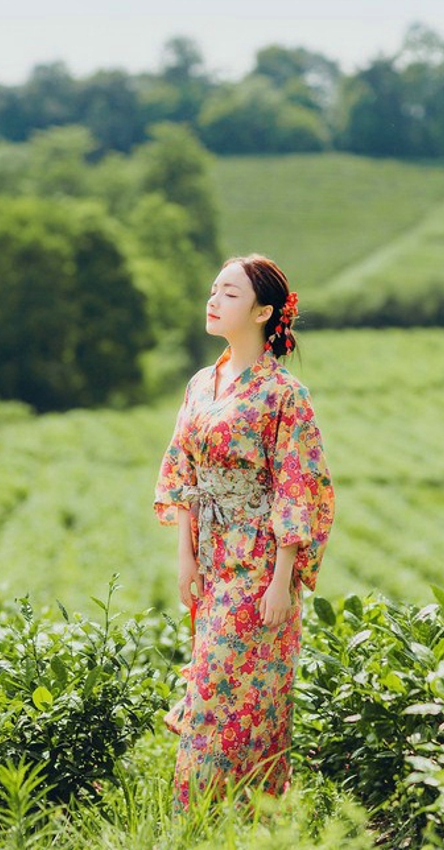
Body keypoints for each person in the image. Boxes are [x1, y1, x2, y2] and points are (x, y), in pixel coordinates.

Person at [153, 253, 335, 816]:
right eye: (213, 289)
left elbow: (299, 488)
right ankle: (215, 821)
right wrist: (186, 558)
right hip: (210, 559)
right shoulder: (200, 384)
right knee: (215, 684)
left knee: (228, 695)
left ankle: (227, 816)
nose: (213, 300)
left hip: (258, 566)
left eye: (229, 294)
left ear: (262, 311)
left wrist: (283, 581)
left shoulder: (285, 395)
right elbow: (183, 472)